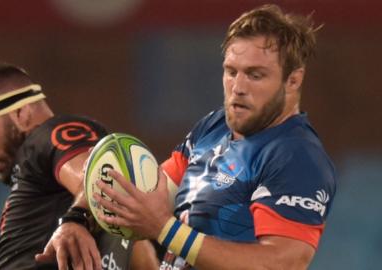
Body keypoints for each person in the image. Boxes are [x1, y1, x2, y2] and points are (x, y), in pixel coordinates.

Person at [93, 4, 336, 270]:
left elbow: (279, 264)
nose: (238, 88)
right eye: (231, 72)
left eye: (255, 75)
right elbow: (148, 193)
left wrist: (165, 229)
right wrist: (77, 219)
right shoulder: (214, 126)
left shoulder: (296, 157)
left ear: (293, 80)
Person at [0, 63, 159, 270]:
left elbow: (105, 177)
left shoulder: (52, 134)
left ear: (21, 113)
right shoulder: (42, 184)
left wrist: (76, 218)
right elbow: (140, 254)